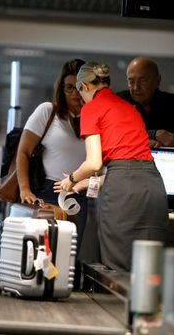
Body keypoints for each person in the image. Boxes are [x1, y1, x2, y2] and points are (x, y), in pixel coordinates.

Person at [54, 61, 169, 273]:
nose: (81, 99)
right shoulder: (130, 109)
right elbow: (128, 166)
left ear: (85, 87)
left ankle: (119, 307)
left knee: (119, 264)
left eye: (80, 93)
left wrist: (70, 180)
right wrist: (84, 183)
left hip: (123, 193)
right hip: (153, 185)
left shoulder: (91, 108)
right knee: (151, 265)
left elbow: (94, 163)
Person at [16, 59, 87, 286]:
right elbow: (23, 152)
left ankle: (60, 305)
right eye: (69, 87)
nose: (75, 93)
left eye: (80, 87)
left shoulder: (93, 119)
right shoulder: (49, 111)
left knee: (68, 260)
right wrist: (25, 189)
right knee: (43, 257)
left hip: (81, 196)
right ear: (62, 89)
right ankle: (36, 300)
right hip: (48, 192)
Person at [118, 57, 174, 148]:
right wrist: (154, 134)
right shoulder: (119, 101)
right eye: (131, 81)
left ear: (158, 81)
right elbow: (115, 133)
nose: (136, 88)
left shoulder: (171, 103)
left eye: (142, 81)